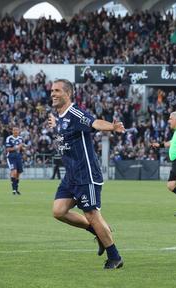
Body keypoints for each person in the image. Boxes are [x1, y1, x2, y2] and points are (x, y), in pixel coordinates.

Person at [47, 79, 125, 269]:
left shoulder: (75, 113)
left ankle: (115, 256)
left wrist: (112, 127)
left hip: (86, 174)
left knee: (92, 214)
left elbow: (94, 122)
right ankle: (97, 232)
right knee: (58, 211)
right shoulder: (60, 117)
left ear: (68, 93)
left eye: (57, 90)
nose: (53, 94)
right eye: (52, 91)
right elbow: (65, 131)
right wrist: (55, 124)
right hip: (71, 175)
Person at [5, 126, 24, 195]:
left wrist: (23, 148)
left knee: (18, 174)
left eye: (17, 130)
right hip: (11, 157)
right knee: (14, 172)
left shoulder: (20, 139)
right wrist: (18, 147)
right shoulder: (9, 138)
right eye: (14, 130)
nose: (16, 131)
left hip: (18, 157)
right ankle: (13, 190)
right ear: (12, 131)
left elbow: (22, 148)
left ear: (19, 131)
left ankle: (16, 189)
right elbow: (8, 149)